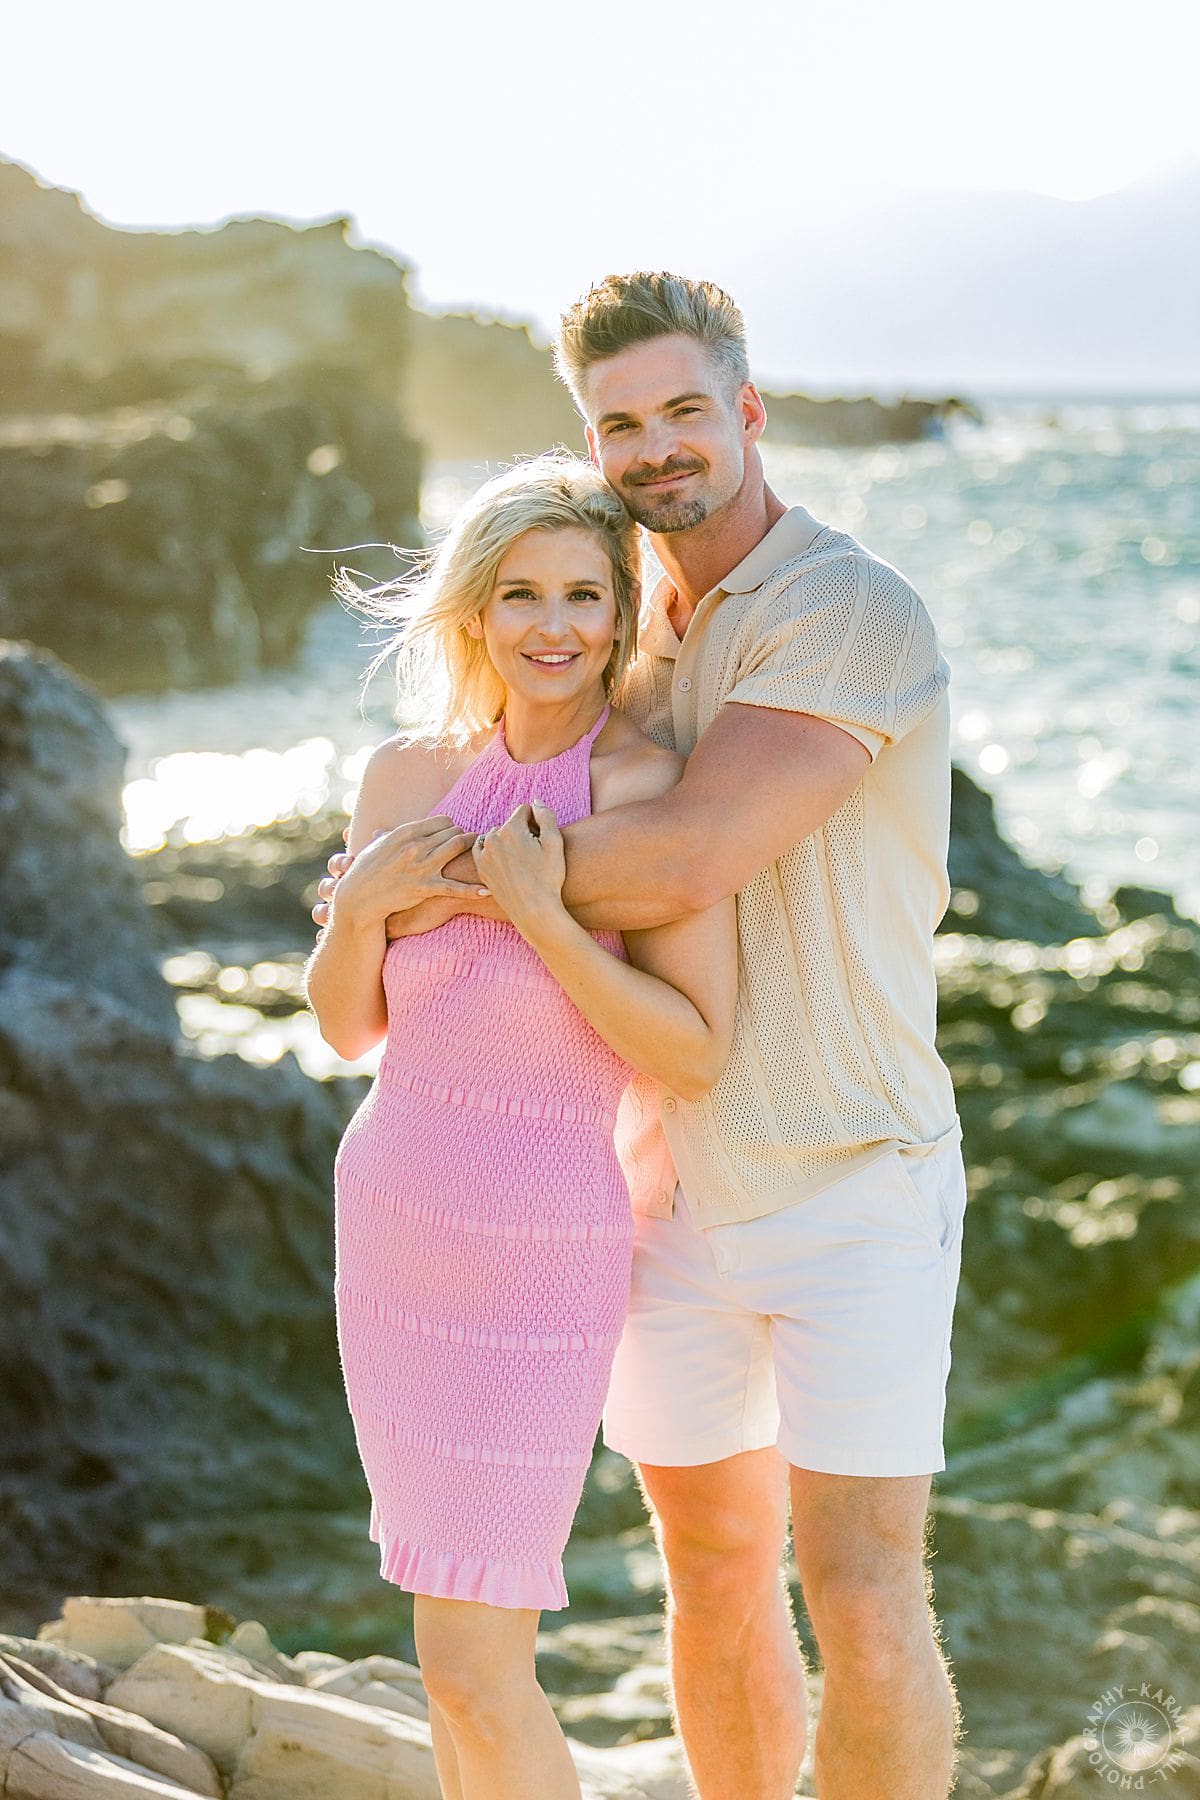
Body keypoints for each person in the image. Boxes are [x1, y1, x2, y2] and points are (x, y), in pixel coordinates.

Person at [316, 272, 968, 1800]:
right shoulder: (639, 637)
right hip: (656, 1197)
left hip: (845, 1170)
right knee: (713, 1572)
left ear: (749, 410)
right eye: (622, 423)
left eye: (685, 409)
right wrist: (378, 901)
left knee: (862, 1591)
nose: (658, 445)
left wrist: (415, 883)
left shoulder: (842, 608)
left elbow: (681, 860)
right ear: (591, 445)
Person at [304, 450, 737, 1800]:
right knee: (446, 1662)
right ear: (477, 610)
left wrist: (548, 918)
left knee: (477, 1663)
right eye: (523, 595)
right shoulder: (406, 776)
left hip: (536, 1254)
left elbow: (694, 1051)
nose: (554, 626)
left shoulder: (650, 793)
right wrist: (362, 908)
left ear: (621, 614)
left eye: (585, 595)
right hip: (394, 1232)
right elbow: (350, 1028)